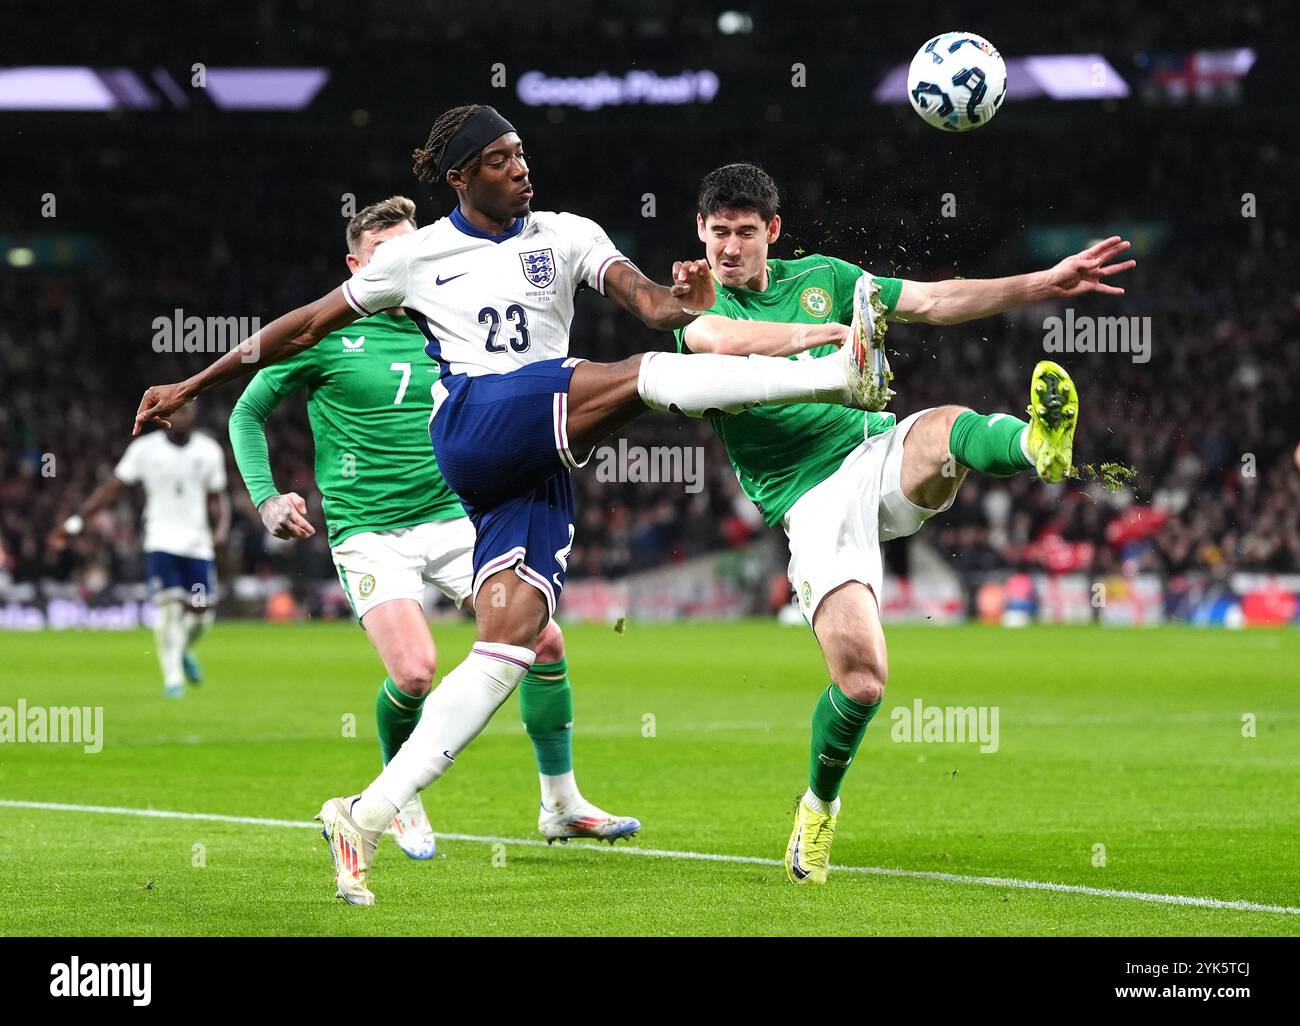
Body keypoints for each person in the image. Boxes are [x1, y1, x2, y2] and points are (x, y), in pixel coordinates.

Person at [132, 105, 878, 905]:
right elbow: (300, 326)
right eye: (498, 159)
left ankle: (366, 813)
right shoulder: (416, 256)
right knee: (638, 378)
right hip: (478, 423)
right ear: (459, 177)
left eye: (520, 153)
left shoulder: (568, 234)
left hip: (535, 458)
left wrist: (686, 295)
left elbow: (656, 308)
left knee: (512, 644)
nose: (520, 168)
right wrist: (192, 384)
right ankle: (838, 374)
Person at [674, 163, 1134, 883]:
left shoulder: (822, 274)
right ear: (700, 233)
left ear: (772, 232)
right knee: (862, 681)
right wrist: (826, 340)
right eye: (717, 232)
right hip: (809, 500)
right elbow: (724, 346)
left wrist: (1044, 282)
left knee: (948, 426)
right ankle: (818, 808)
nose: (729, 247)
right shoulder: (691, 307)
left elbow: (934, 299)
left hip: (872, 449)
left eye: (744, 232)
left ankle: (1034, 446)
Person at [227, 195, 639, 858]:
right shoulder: (328, 333)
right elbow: (245, 414)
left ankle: (560, 804)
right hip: (369, 531)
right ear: (357, 264)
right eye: (387, 255)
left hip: (454, 518)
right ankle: (398, 796)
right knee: (417, 671)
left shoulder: (449, 319)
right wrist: (267, 498)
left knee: (546, 641)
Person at [51, 403, 229, 698]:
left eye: (187, 412)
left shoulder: (209, 451)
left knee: (201, 615)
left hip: (197, 544)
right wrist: (75, 523)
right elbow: (111, 488)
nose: (182, 417)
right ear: (167, 417)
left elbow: (216, 498)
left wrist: (220, 532)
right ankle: (173, 680)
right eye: (177, 412)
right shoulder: (145, 450)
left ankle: (182, 649)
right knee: (170, 611)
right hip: (160, 542)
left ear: (195, 415)